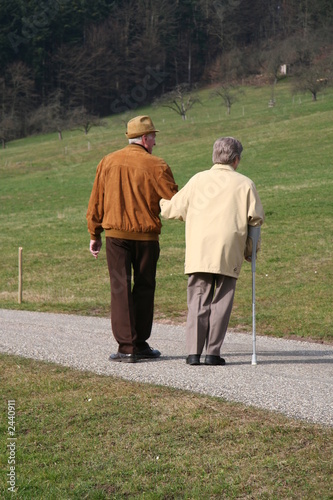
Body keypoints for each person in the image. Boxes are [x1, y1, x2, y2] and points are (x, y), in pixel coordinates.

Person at [160, 137, 264, 366]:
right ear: (236, 159)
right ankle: (212, 353)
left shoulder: (198, 180)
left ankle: (193, 353)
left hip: (200, 248)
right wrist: (250, 252)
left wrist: (160, 202)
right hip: (229, 248)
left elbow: (174, 209)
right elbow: (255, 222)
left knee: (198, 299)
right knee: (222, 300)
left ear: (215, 157)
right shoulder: (245, 184)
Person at [86, 115, 178, 363]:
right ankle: (139, 343)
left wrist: (94, 233)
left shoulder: (107, 162)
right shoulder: (157, 165)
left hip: (116, 237)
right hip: (147, 237)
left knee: (120, 289)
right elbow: (174, 200)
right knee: (145, 287)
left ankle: (127, 348)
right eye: (154, 137)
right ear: (145, 138)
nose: (156, 142)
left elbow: (96, 201)